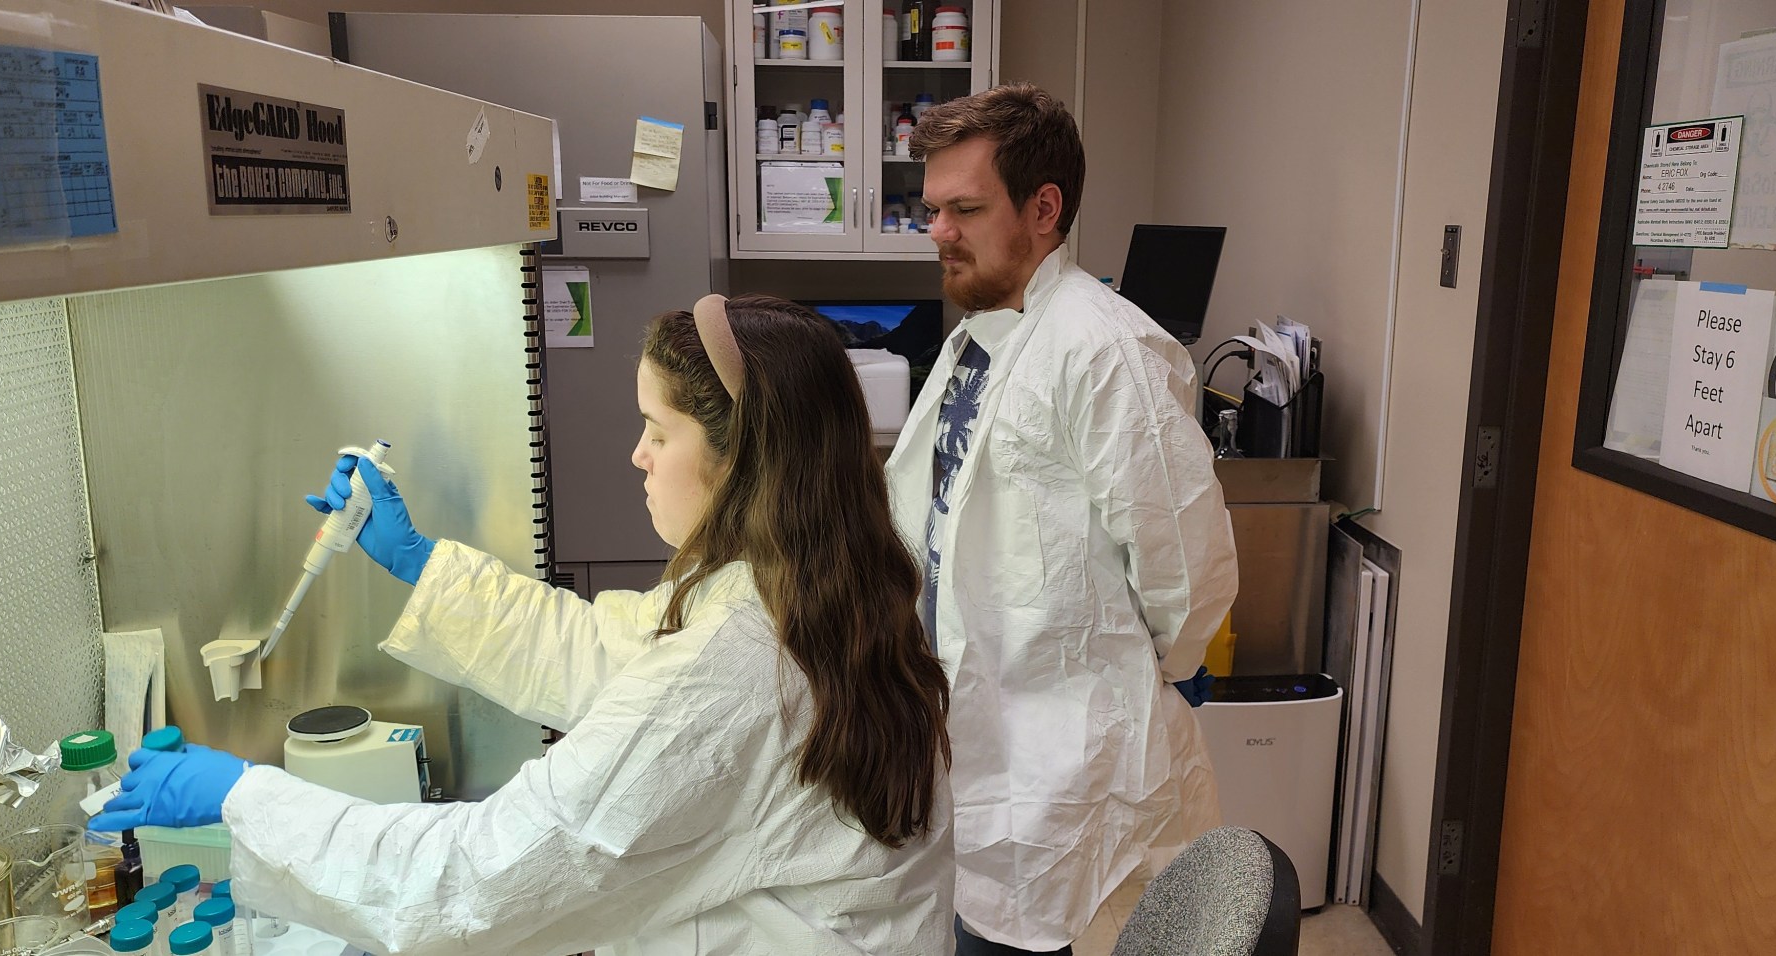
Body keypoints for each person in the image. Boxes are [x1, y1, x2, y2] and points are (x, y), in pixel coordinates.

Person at [93, 295, 956, 956]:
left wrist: (245, 799)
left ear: (745, 461)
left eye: (658, 430)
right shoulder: (819, 588)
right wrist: (420, 563)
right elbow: (608, 655)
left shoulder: (736, 666)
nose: (637, 455)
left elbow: (469, 880)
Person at [892, 83, 1240, 955]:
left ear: (1044, 208)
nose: (938, 231)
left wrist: (1120, 678)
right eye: (932, 209)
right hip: (975, 747)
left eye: (964, 209)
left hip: (1068, 769)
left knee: (1039, 931)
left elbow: (1188, 569)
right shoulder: (979, 335)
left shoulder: (1105, 351)